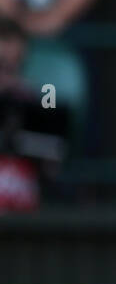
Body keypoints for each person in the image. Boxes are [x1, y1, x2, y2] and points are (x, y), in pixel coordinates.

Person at [0, 16, 68, 210]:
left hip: (23, 190)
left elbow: (53, 164)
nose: (7, 76)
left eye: (14, 68)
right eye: (1, 66)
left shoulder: (39, 101)